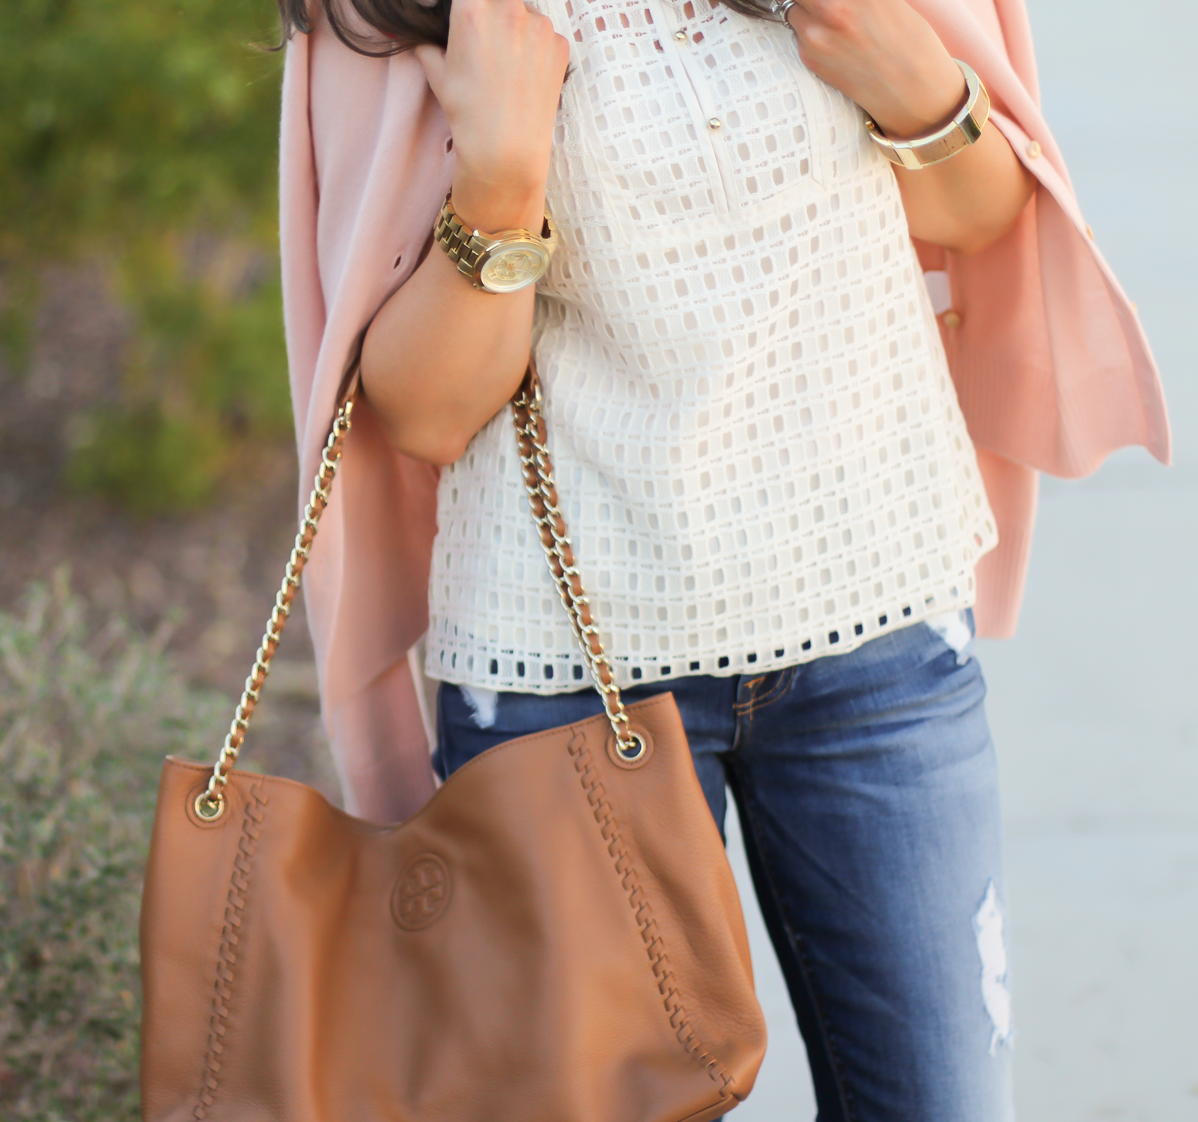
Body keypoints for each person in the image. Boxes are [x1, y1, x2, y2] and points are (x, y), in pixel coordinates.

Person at [271, 0, 1170, 1119]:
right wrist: (498, 185)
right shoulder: (400, 18)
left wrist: (917, 88)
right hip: (564, 685)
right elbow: (428, 413)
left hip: (878, 632)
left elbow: (983, 213)